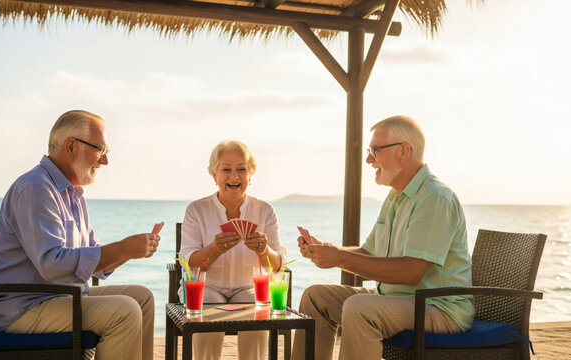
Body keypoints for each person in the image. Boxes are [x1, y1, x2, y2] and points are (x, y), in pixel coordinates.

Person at [291, 115, 474, 360]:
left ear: (403, 151)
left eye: (375, 150)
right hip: (396, 300)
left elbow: (411, 272)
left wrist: (338, 258)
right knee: (315, 297)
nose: (368, 159)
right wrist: (327, 249)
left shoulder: (434, 197)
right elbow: (369, 254)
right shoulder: (395, 197)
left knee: (359, 308)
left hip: (438, 308)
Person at [0, 110, 157, 360]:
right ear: (71, 146)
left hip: (59, 296)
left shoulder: (72, 193)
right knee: (124, 311)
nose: (105, 162)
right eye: (100, 150)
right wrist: (123, 248)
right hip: (23, 308)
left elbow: (94, 264)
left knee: (142, 298)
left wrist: (131, 250)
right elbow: (52, 265)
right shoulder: (36, 189)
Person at [179, 139, 288, 360]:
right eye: (226, 170)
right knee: (209, 304)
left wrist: (264, 250)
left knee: (257, 307)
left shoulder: (265, 210)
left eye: (241, 170)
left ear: (250, 174)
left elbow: (279, 264)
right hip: (208, 286)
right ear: (214, 174)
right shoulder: (196, 210)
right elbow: (189, 263)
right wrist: (214, 249)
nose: (234, 176)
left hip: (248, 287)